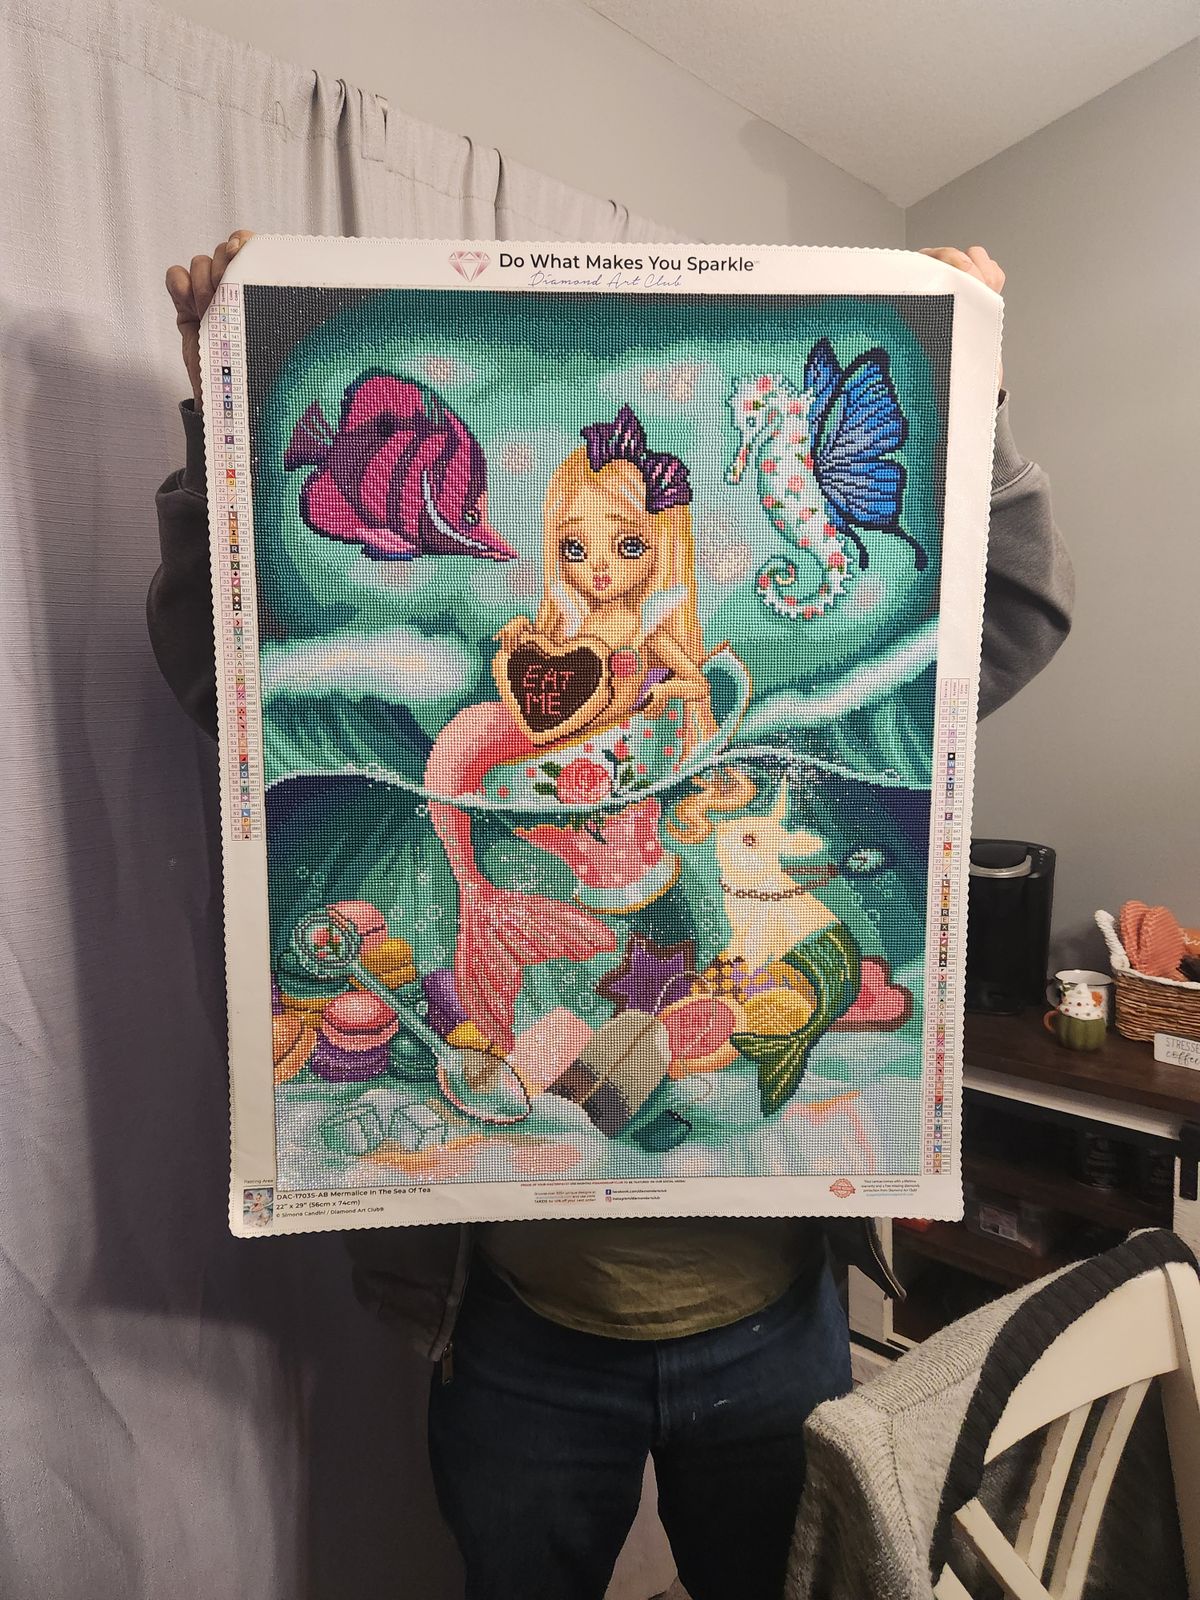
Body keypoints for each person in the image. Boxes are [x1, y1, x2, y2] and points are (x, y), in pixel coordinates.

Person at [153, 234, 1073, 1600]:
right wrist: (218, 404)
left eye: (628, 545)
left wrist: (975, 392)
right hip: (521, 1334)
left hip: (774, 1325)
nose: (597, 569)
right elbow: (220, 668)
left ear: (671, 553)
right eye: (576, 544)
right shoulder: (513, 682)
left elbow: (1014, 613)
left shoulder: (707, 692)